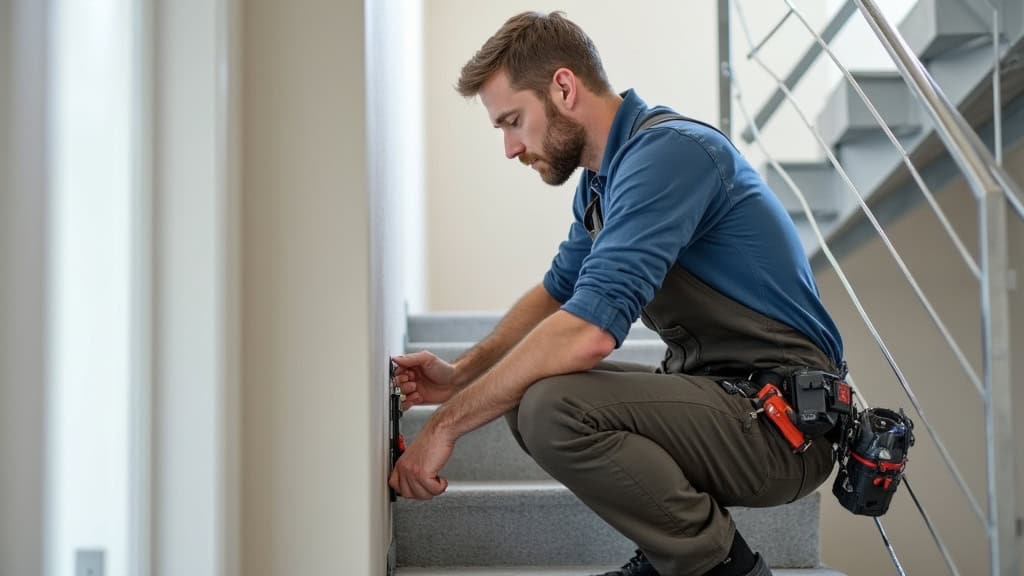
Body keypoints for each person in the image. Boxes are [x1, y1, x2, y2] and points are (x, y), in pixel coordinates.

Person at [388, 11, 844, 576]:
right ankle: (671, 554)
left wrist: (445, 425)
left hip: (783, 426)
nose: (509, 148)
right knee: (526, 394)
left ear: (562, 87)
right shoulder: (603, 183)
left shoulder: (670, 154)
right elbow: (557, 295)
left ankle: (724, 568)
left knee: (553, 406)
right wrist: (463, 374)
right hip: (724, 399)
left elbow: (587, 335)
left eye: (513, 121)